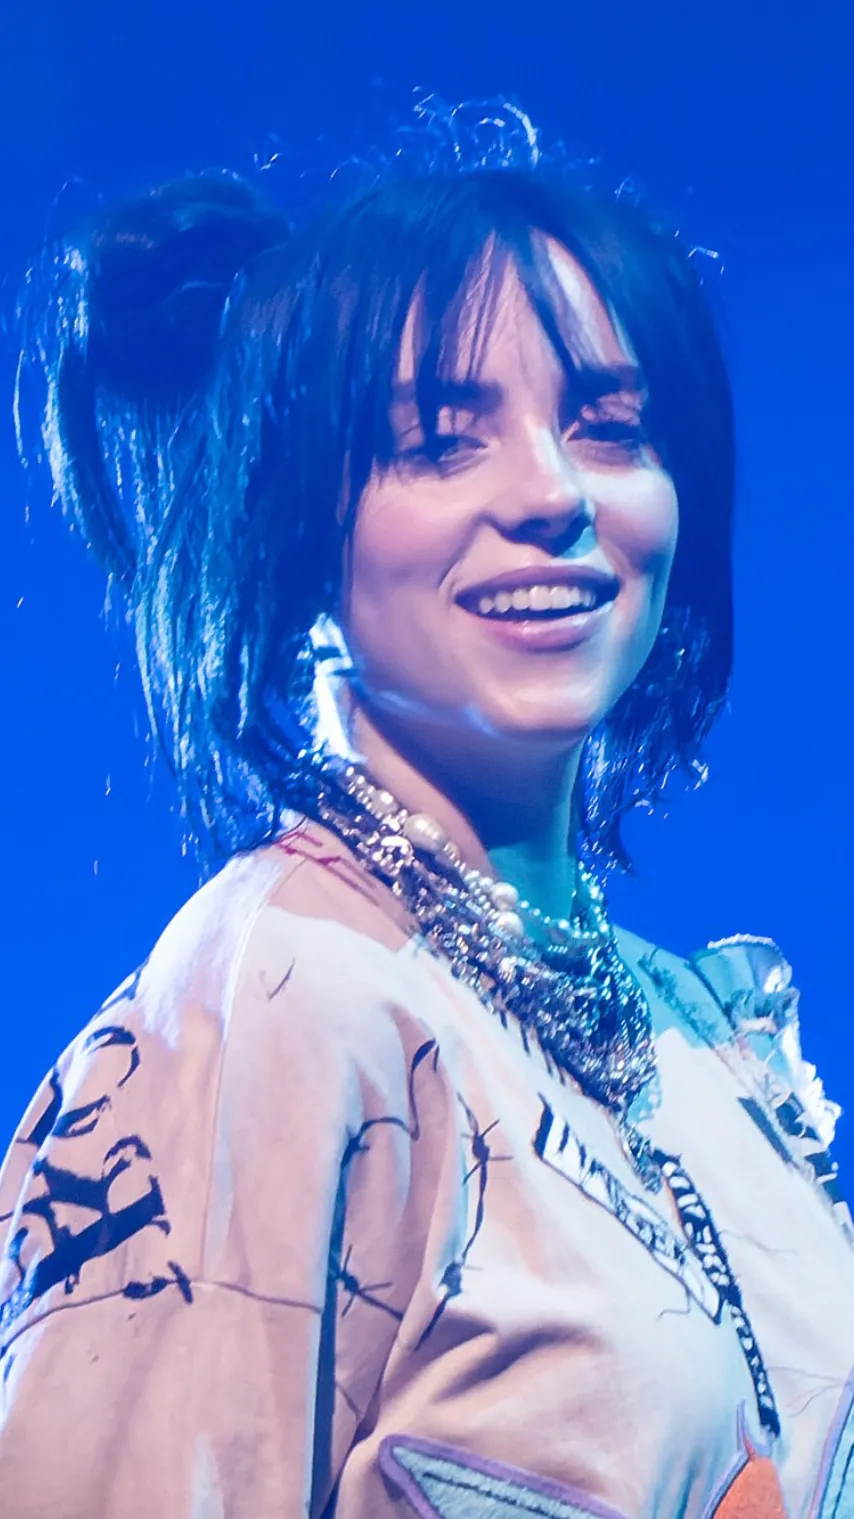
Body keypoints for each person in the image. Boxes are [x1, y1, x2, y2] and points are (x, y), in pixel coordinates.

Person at [0, 100, 851, 1519]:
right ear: (291, 534)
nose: (554, 493)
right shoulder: (284, 996)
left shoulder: (698, 1040)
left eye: (609, 427)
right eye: (440, 441)